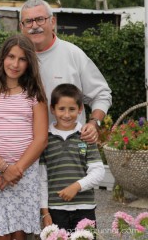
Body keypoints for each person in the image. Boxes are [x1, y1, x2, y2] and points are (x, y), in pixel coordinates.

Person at [0, 0, 112, 144]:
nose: (34, 26)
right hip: (24, 153)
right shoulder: (16, 61)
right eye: (28, 21)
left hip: (67, 150)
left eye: (40, 19)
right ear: (21, 26)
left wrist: (94, 123)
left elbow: (102, 94)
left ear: (53, 22)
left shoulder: (73, 54)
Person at [0, 34, 48, 240]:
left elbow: (41, 139)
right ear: (2, 58)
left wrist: (16, 169)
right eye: (11, 56)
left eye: (22, 59)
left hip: (25, 170)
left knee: (19, 233)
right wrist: (4, 168)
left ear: (29, 63)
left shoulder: (35, 95)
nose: (15, 64)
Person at [39, 83, 104, 232]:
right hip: (55, 211)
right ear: (52, 109)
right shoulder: (45, 140)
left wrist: (76, 186)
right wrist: (45, 212)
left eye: (72, 109)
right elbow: (42, 179)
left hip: (85, 209)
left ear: (80, 109)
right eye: (61, 109)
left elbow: (98, 171)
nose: (67, 115)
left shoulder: (86, 136)